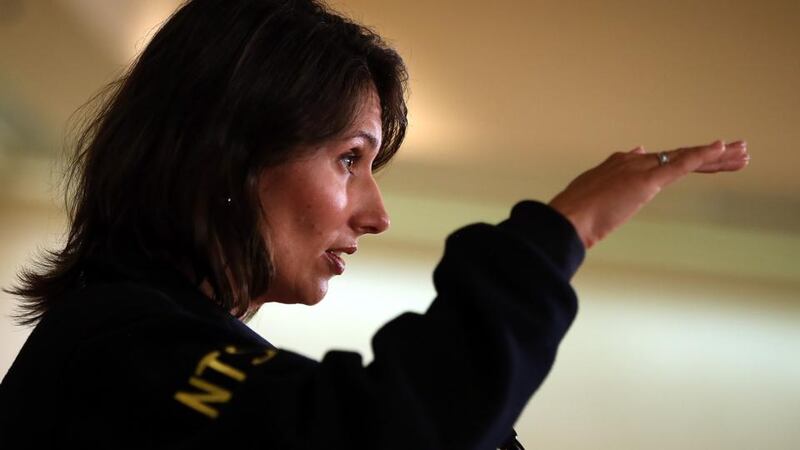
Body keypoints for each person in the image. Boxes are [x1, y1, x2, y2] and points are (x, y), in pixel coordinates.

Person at [0, 0, 749, 449]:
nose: (376, 213)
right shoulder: (116, 349)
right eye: (348, 160)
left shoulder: (143, 346)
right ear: (225, 158)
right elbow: (382, 433)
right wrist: (565, 230)